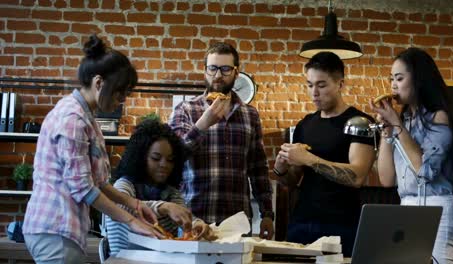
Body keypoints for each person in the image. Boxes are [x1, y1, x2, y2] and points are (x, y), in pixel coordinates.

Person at [22, 34, 160, 264]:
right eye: (120, 92)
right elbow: (84, 189)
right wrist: (131, 220)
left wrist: (135, 205)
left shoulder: (87, 118)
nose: (121, 100)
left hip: (63, 231)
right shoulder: (72, 119)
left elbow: (98, 183)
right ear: (99, 83)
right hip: (55, 229)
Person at [370, 47, 453, 264]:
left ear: (419, 79)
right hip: (407, 206)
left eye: (399, 78)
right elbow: (386, 179)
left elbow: (426, 170)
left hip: (438, 208)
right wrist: (387, 131)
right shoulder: (403, 122)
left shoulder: (439, 116)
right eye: (391, 79)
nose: (393, 85)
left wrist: (396, 124)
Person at [273, 52, 376, 256]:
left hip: (342, 225)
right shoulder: (305, 124)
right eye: (309, 85)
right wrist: (281, 167)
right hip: (302, 223)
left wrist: (310, 159)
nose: (314, 93)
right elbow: (292, 181)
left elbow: (357, 176)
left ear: (340, 84)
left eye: (321, 85)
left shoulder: (360, 122)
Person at [168, 42, 274, 239]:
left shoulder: (250, 115)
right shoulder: (185, 110)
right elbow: (174, 157)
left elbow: (258, 168)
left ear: (236, 72)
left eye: (225, 69)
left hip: (237, 222)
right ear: (205, 70)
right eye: (213, 68)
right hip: (193, 219)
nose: (218, 75)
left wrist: (267, 213)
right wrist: (202, 125)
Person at [104, 118, 216, 256]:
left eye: (170, 160)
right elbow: (119, 206)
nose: (164, 165)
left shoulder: (171, 193)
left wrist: (197, 225)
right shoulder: (125, 184)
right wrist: (164, 207)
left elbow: (186, 216)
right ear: (140, 158)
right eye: (156, 158)